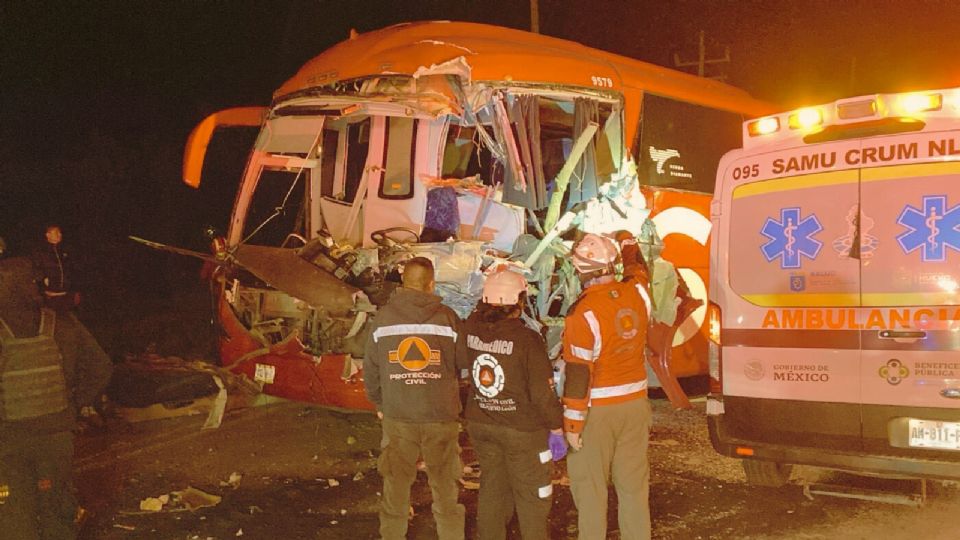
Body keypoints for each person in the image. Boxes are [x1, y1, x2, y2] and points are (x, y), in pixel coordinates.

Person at [0, 252, 113, 539]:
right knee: (57, 507)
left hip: (10, 439)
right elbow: (102, 368)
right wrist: (73, 407)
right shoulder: (62, 323)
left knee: (15, 509)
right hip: (56, 436)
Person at [363, 256, 465, 540]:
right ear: (431, 284)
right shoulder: (448, 318)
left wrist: (381, 404)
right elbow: (463, 362)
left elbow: (370, 369)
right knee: (445, 490)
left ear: (404, 284)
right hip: (441, 416)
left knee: (395, 490)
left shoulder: (383, 318)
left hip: (398, 416)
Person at [458, 268, 565, 540]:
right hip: (523, 432)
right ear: (517, 301)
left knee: (493, 488)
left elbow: (461, 365)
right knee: (533, 495)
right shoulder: (527, 339)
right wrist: (557, 428)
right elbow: (542, 392)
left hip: (481, 423)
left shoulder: (469, 328)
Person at [561, 232, 654, 540]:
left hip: (597, 413)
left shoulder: (582, 313)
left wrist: (572, 426)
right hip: (635, 406)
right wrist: (628, 242)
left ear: (579, 270)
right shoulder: (638, 293)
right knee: (633, 488)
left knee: (590, 492)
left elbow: (578, 373)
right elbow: (638, 269)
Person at [32, 224, 81, 311]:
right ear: (48, 235)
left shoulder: (65, 250)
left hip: (67, 294)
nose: (60, 235)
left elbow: (74, 269)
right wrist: (43, 284)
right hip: (51, 295)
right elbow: (36, 270)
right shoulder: (40, 251)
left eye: (60, 233)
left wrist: (75, 288)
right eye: (57, 232)